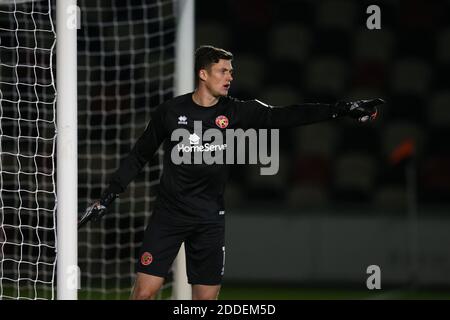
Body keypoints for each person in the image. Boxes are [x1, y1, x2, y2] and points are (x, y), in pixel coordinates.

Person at [78, 45, 384, 300]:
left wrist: (341, 109)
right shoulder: (170, 112)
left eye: (231, 71)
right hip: (169, 215)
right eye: (223, 70)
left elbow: (287, 115)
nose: (230, 77)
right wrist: (109, 195)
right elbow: (139, 155)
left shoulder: (238, 111)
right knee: (144, 294)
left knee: (205, 301)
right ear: (203, 73)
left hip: (209, 218)